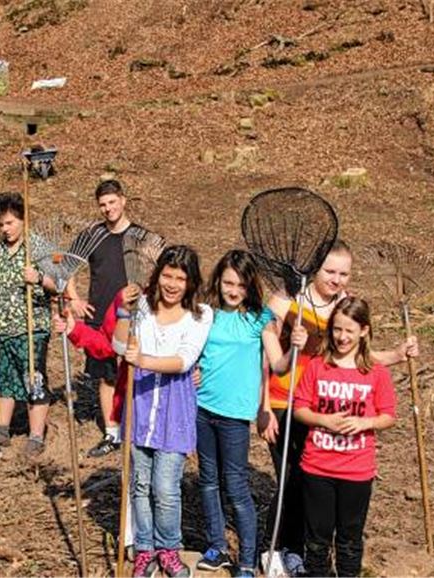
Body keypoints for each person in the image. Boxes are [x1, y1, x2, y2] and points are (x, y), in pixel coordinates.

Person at [260, 240, 417, 576]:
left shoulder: (344, 304)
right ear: (314, 269)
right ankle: (274, 547)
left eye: (344, 273)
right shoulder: (287, 298)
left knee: (309, 482)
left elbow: (353, 353)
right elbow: (265, 355)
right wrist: (264, 407)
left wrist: (396, 355)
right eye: (330, 271)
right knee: (291, 479)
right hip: (285, 400)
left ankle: (299, 551)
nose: (336, 279)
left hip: (323, 400)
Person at [194, 250, 296, 577]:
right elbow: (192, 350)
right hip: (202, 407)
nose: (233, 290)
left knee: (236, 485)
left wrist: (293, 348)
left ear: (250, 286)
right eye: (228, 283)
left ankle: (248, 560)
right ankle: (217, 546)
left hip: (235, 415)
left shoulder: (259, 318)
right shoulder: (206, 313)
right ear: (218, 281)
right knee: (208, 481)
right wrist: (193, 368)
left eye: (240, 285)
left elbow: (278, 364)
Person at [113, 245, 213, 578]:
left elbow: (184, 359)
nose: (172, 284)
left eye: (180, 279)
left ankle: (169, 549)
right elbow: (118, 346)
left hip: (174, 409)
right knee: (140, 485)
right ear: (158, 276)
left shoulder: (200, 315)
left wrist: (142, 360)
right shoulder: (142, 306)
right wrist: (124, 313)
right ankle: (145, 550)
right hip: (140, 406)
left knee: (166, 488)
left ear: (191, 282)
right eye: (167, 276)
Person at [293, 297, 396, 577]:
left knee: (350, 538)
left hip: (356, 470)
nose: (342, 337)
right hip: (318, 466)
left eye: (349, 330)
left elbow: (388, 415)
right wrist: (323, 420)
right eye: (337, 329)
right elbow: (300, 408)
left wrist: (365, 422)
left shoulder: (375, 372)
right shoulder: (318, 366)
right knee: (317, 538)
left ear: (364, 330)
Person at [67, 179, 153, 458]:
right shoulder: (92, 236)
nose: (108, 208)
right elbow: (66, 267)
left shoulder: (141, 237)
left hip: (134, 317)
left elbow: (157, 270)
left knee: (136, 372)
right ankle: (111, 432)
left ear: (123, 200)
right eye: (102, 204)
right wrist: (75, 299)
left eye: (112, 202)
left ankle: (138, 428)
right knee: (106, 377)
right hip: (99, 317)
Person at [0, 192, 57, 456]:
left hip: (30, 328)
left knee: (34, 380)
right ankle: (1, 429)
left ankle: (36, 435)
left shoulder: (38, 247)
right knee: (3, 380)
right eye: (1, 224)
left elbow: (60, 283)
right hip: (0, 329)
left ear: (22, 219)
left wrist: (39, 278)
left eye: (9, 223)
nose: (5, 229)